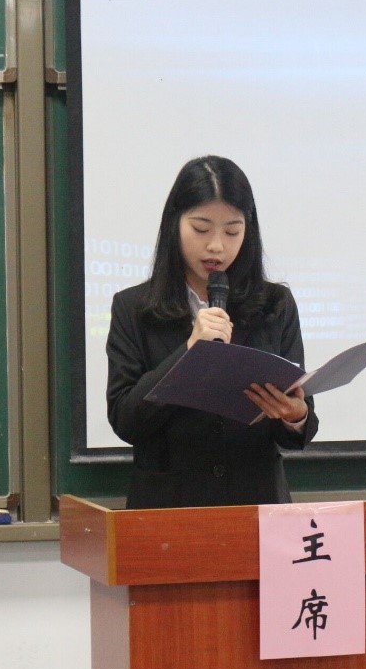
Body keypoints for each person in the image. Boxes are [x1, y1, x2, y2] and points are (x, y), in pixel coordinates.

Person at [107, 155, 318, 509]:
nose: (217, 246)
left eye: (232, 231)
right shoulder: (133, 308)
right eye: (201, 229)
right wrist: (189, 351)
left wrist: (295, 415)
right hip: (168, 509)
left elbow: (299, 429)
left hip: (256, 504)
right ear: (175, 224)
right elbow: (126, 421)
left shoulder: (275, 304)